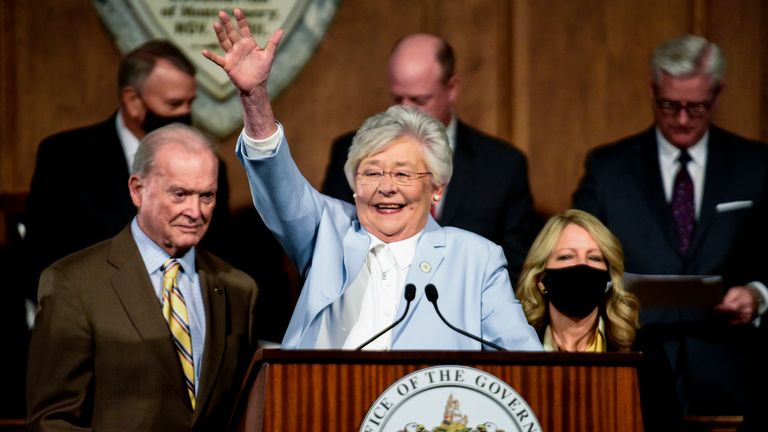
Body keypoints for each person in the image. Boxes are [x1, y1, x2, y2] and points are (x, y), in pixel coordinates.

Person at [202, 9, 542, 351]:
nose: (386, 187)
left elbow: (524, 363)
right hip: (322, 400)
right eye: (372, 172)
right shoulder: (327, 235)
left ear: (436, 187)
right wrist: (255, 97)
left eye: (403, 174)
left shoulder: (475, 260)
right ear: (353, 183)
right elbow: (279, 185)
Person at [572, 34, 768, 414]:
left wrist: (758, 295)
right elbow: (580, 259)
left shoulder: (756, 165)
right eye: (669, 105)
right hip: (634, 364)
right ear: (653, 90)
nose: (681, 119)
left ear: (718, 93)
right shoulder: (608, 168)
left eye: (696, 108)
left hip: (732, 368)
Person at [26, 124, 258, 430]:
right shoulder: (73, 284)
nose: (195, 211)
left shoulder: (238, 288)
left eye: (207, 196)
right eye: (180, 194)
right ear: (138, 191)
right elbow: (52, 421)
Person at [23, 40, 231, 302]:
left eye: (191, 103)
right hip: (92, 316)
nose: (186, 114)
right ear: (133, 101)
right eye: (174, 104)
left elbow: (216, 262)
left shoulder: (208, 166)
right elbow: (43, 262)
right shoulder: (67, 158)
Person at [321, 33, 539, 281]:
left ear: (452, 89)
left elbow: (516, 266)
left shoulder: (502, 166)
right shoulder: (350, 151)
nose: (404, 110)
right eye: (397, 98)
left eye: (419, 100)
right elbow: (331, 245)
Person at [516, 209, 681, 430]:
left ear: (608, 278)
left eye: (594, 258)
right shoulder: (516, 350)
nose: (581, 266)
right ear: (540, 279)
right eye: (566, 256)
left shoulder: (642, 350)